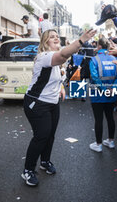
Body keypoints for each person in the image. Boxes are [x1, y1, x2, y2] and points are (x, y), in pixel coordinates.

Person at [22, 28, 96, 187]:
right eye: (51, 37)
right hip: (37, 103)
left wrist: (61, 89)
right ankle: (27, 170)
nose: (56, 38)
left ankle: (45, 161)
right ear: (45, 42)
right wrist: (82, 39)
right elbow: (63, 55)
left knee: (50, 135)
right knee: (41, 136)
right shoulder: (44, 57)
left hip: (52, 103)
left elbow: (58, 77)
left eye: (57, 36)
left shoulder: (56, 60)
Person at [89, 37, 117, 152]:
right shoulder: (114, 59)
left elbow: (94, 77)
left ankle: (98, 145)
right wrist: (112, 89)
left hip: (98, 95)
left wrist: (103, 89)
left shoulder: (94, 60)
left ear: (99, 47)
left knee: (99, 119)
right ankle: (111, 141)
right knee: (110, 118)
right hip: (111, 94)